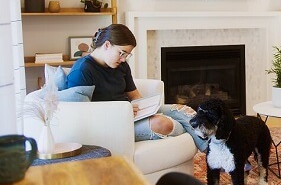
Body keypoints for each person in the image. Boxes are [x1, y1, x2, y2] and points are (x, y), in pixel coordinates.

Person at [66, 24, 207, 151]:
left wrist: (147, 109)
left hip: (131, 113)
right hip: (111, 124)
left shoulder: (121, 65)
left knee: (184, 110)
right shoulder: (82, 71)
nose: (123, 59)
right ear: (107, 45)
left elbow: (135, 96)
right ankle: (194, 134)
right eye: (121, 53)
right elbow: (82, 115)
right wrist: (123, 110)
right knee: (163, 123)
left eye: (127, 55)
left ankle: (211, 150)